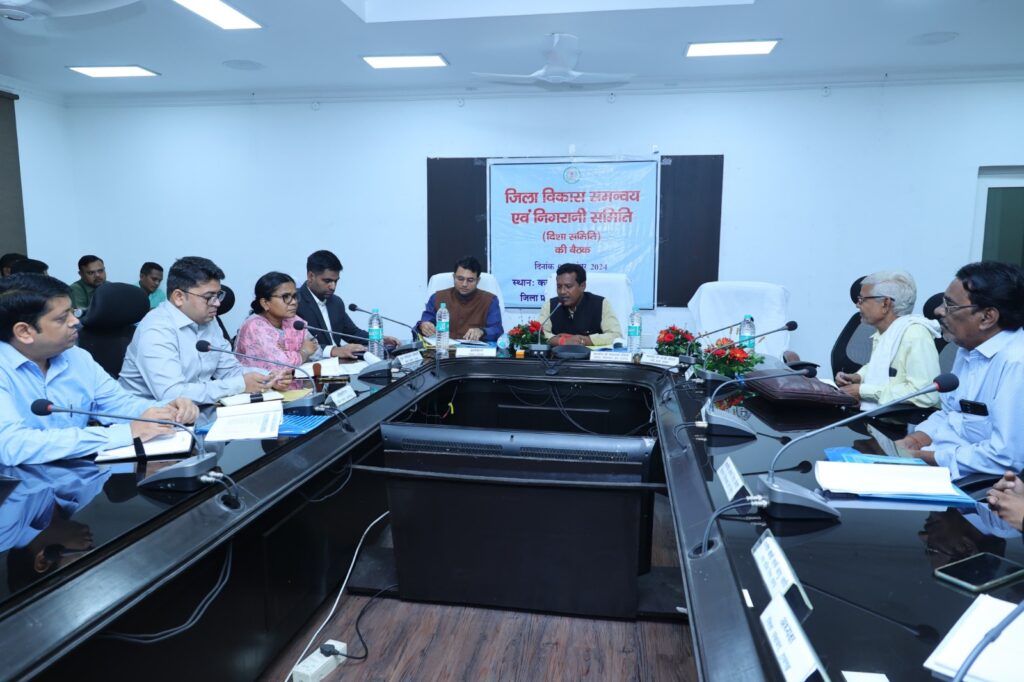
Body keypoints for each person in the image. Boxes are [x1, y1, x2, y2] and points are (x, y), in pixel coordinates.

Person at [0, 273, 198, 466]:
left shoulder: (77, 357)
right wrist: (126, 433)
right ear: (24, 332)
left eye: (72, 312)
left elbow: (119, 405)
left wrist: (168, 409)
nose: (75, 321)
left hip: (77, 475)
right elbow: (12, 445)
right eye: (62, 318)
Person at [896, 262, 1024, 479]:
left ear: (987, 318)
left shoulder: (1017, 363)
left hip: (979, 485)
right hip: (938, 466)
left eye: (950, 305)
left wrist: (925, 457)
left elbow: (1006, 457)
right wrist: (916, 440)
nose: (938, 310)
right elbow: (950, 413)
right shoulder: (968, 348)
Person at [119, 256, 288, 404]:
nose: (217, 303)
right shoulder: (156, 329)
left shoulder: (208, 320)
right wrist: (240, 384)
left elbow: (230, 371)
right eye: (209, 297)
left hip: (197, 412)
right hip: (147, 420)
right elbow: (172, 394)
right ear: (179, 297)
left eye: (218, 295)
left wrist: (267, 376)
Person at [834, 270, 940, 409]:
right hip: (881, 416)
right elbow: (886, 369)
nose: (857, 305)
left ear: (885, 303)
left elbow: (925, 395)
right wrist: (858, 377)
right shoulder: (886, 333)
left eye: (862, 300)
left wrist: (862, 391)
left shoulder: (915, 334)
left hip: (903, 420)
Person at [296, 249, 398, 358]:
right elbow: (295, 345)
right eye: (327, 281)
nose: (333, 287)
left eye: (336, 281)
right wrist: (334, 351)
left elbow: (352, 333)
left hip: (341, 363)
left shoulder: (336, 302)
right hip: (314, 364)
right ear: (311, 276)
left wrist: (379, 340)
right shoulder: (295, 302)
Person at [235, 272, 322, 389]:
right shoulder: (254, 327)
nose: (294, 302)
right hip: (265, 392)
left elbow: (316, 351)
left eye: (295, 296)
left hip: (299, 389)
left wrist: (289, 353)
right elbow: (281, 369)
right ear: (265, 303)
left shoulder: (294, 321)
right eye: (286, 297)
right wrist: (303, 352)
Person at [416, 256, 503, 342]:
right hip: (443, 348)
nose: (464, 284)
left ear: (478, 280)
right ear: (454, 277)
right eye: (460, 279)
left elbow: (497, 330)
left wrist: (482, 331)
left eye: (470, 280)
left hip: (475, 350)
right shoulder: (437, 297)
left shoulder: (490, 300)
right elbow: (424, 322)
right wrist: (423, 326)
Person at [539, 263, 622, 346]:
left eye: (568, 286)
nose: (562, 291)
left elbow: (616, 335)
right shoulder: (551, 305)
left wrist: (585, 340)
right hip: (556, 354)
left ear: (582, 286)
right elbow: (538, 333)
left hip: (590, 354)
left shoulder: (601, 304)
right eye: (559, 286)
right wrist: (562, 341)